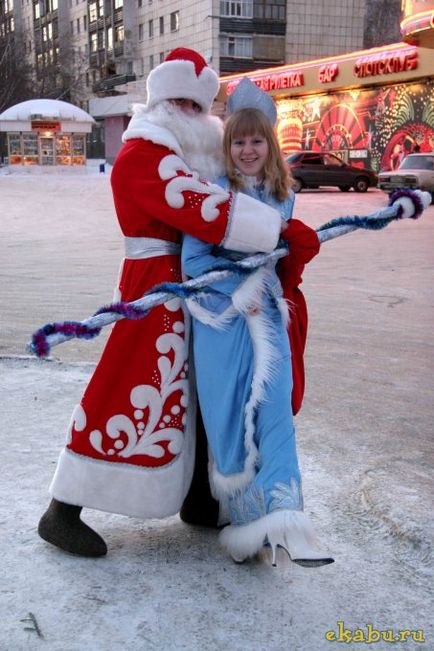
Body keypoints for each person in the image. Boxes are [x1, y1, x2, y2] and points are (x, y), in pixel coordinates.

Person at [37, 49, 303, 558]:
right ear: (160, 100)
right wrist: (273, 229)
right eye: (178, 100)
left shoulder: (191, 155)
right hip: (154, 285)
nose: (187, 111)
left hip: (196, 287)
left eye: (195, 103)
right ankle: (62, 509)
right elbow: (196, 207)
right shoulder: (145, 152)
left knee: (201, 393)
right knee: (126, 385)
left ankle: (201, 498)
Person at [181, 78, 334, 566]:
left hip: (268, 321)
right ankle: (248, 526)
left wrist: (292, 262)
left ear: (270, 143)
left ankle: (289, 523)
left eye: (257, 140)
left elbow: (281, 262)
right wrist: (237, 290)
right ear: (228, 146)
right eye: (239, 141)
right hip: (222, 324)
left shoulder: (283, 194)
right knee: (230, 426)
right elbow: (194, 264)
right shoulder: (211, 194)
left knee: (274, 417)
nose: (248, 150)